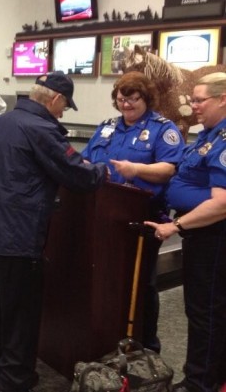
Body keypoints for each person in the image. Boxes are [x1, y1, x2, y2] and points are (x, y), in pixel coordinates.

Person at [0, 72, 108, 392]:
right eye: (64, 107)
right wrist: (108, 169)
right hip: (18, 236)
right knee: (21, 313)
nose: (62, 113)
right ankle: (15, 381)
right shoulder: (44, 129)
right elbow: (81, 176)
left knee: (1, 310)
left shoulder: (0, 122)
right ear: (55, 100)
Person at [82, 71, 184, 352]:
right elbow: (86, 160)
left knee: (143, 284)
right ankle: (106, 336)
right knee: (105, 278)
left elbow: (169, 169)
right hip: (104, 214)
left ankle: (146, 343)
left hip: (143, 216)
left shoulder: (164, 129)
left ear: (146, 99)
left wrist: (136, 169)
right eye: (121, 99)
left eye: (133, 99)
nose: (126, 105)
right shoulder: (107, 127)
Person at [145, 72, 226, 392]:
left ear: (223, 99)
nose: (193, 107)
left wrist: (175, 226)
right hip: (202, 235)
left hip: (214, 237)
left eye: (199, 100)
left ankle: (199, 383)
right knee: (206, 309)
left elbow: (221, 204)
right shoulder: (209, 134)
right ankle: (212, 375)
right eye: (192, 100)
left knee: (205, 311)